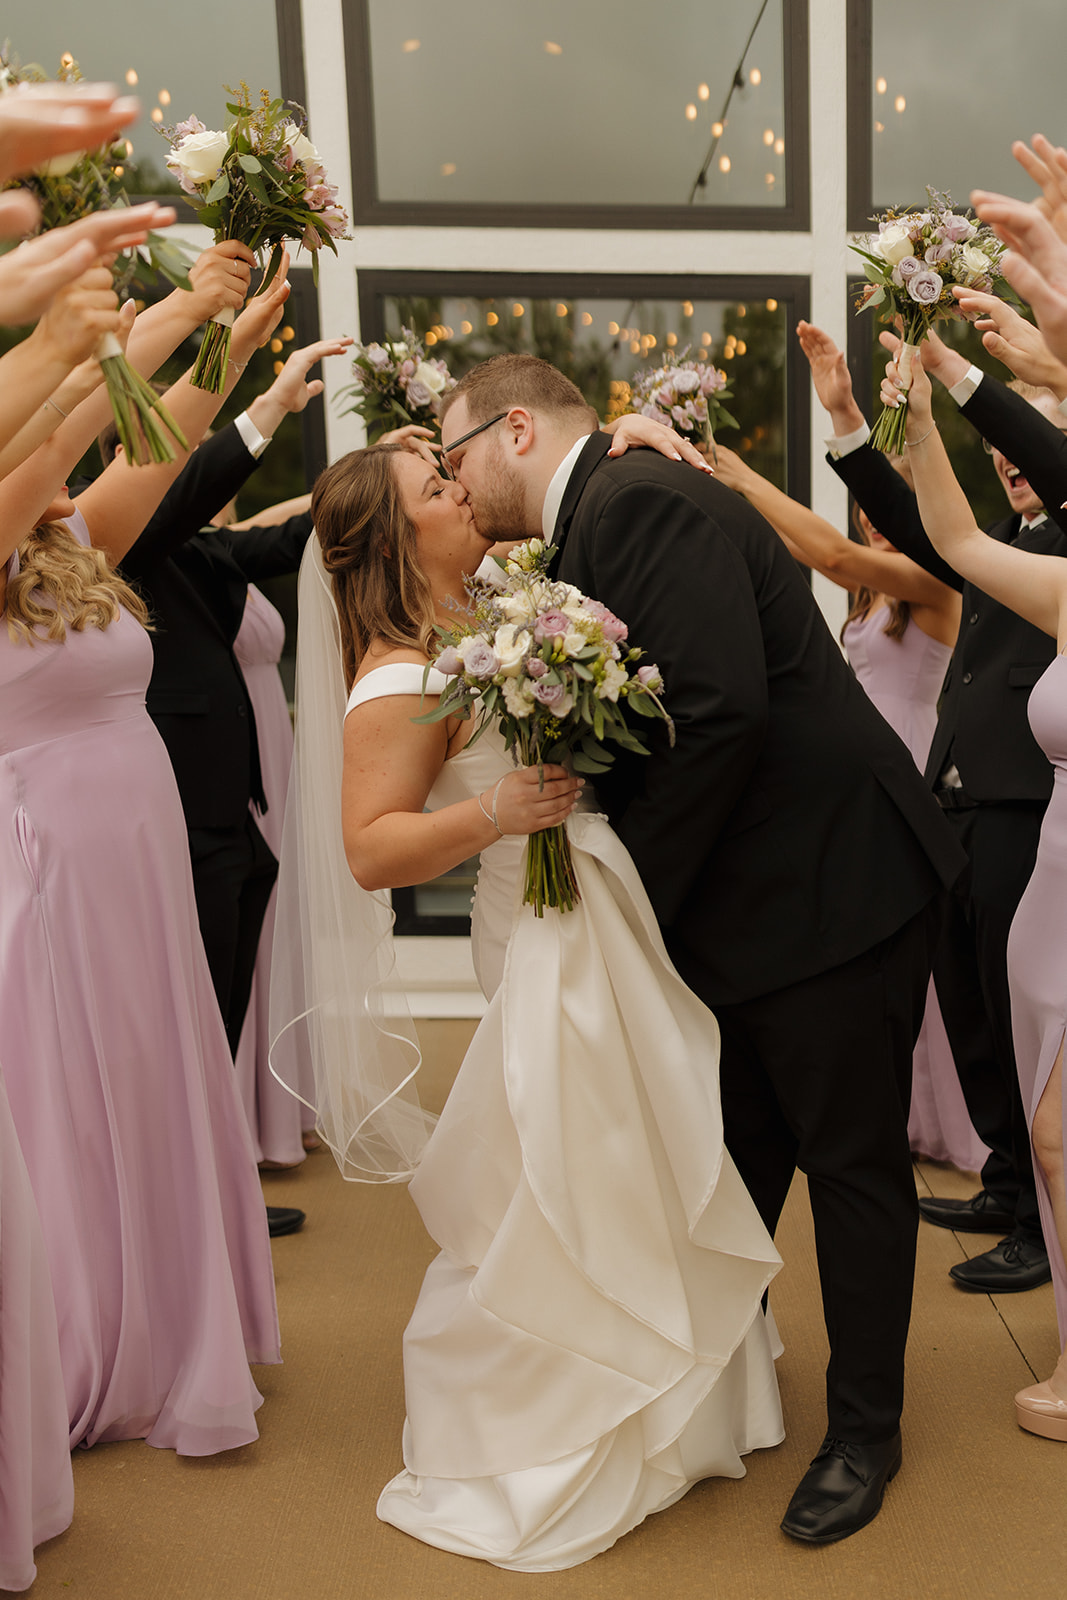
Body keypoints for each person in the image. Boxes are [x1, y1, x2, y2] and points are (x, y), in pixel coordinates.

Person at [438, 355, 965, 1546]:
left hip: (833, 885)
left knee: (847, 1164)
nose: (448, 478)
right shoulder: (599, 510)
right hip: (751, 901)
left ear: (513, 428)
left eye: (448, 449)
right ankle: (711, 1390)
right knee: (727, 1156)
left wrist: (625, 899)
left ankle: (864, 1432)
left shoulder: (639, 502)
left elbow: (720, 706)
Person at [273, 414, 785, 1572]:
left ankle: (671, 1394)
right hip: (533, 924)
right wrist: (492, 815)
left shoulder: (498, 608)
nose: (459, 489)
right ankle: (565, 1415)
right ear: (398, 536)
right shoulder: (399, 672)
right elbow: (369, 847)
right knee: (564, 1159)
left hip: (592, 911)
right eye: (433, 486)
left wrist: (637, 435)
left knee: (634, 1145)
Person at [0, 253, 287, 1454]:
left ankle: (170, 1325)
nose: (77, 478)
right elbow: (72, 420)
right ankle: (86, 1336)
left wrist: (225, 341)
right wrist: (156, 317)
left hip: (140, 863)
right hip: (53, 869)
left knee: (154, 1071)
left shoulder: (74, 550)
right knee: (78, 1096)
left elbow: (154, 443)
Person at [809, 313, 1067, 1294]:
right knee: (970, 1008)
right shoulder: (1003, 538)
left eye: (1023, 446)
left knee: (1021, 1019)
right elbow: (928, 530)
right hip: (958, 800)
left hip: (1024, 805)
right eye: (998, 453)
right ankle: (1006, 1181)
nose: (1008, 465)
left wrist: (967, 373)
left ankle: (1043, 1232)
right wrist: (849, 424)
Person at [710, 441, 984, 1173]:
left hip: (911, 756)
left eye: (883, 500)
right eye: (864, 503)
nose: (870, 517)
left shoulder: (931, 579)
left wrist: (739, 477)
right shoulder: (871, 595)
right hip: (863, 763)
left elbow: (828, 555)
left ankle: (964, 1132)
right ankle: (908, 1120)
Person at [884, 346, 1067, 1440]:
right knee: (1052, 1140)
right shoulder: (1058, 587)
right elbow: (953, 541)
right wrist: (912, 413)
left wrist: (964, 370)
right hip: (1052, 886)